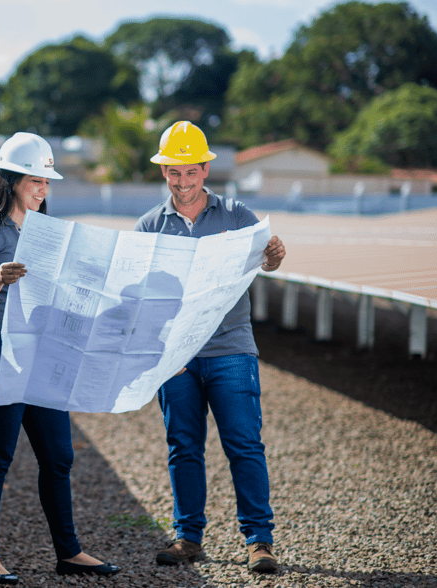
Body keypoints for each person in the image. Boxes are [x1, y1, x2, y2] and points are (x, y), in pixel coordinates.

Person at [0, 132, 119, 585]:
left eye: (48, 182)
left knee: (59, 455)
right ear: (9, 179)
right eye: (36, 180)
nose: (44, 189)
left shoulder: (52, 234)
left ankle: (69, 553)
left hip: (42, 354)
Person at [134, 121, 287, 573]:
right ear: (164, 172)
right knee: (183, 445)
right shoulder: (148, 226)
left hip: (231, 351)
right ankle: (188, 537)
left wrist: (274, 257)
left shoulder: (238, 216)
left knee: (244, 444)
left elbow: (268, 262)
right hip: (177, 356)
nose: (182, 183)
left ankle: (259, 541)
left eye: (191, 172)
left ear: (205, 170)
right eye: (173, 173)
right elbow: (142, 299)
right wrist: (162, 352)